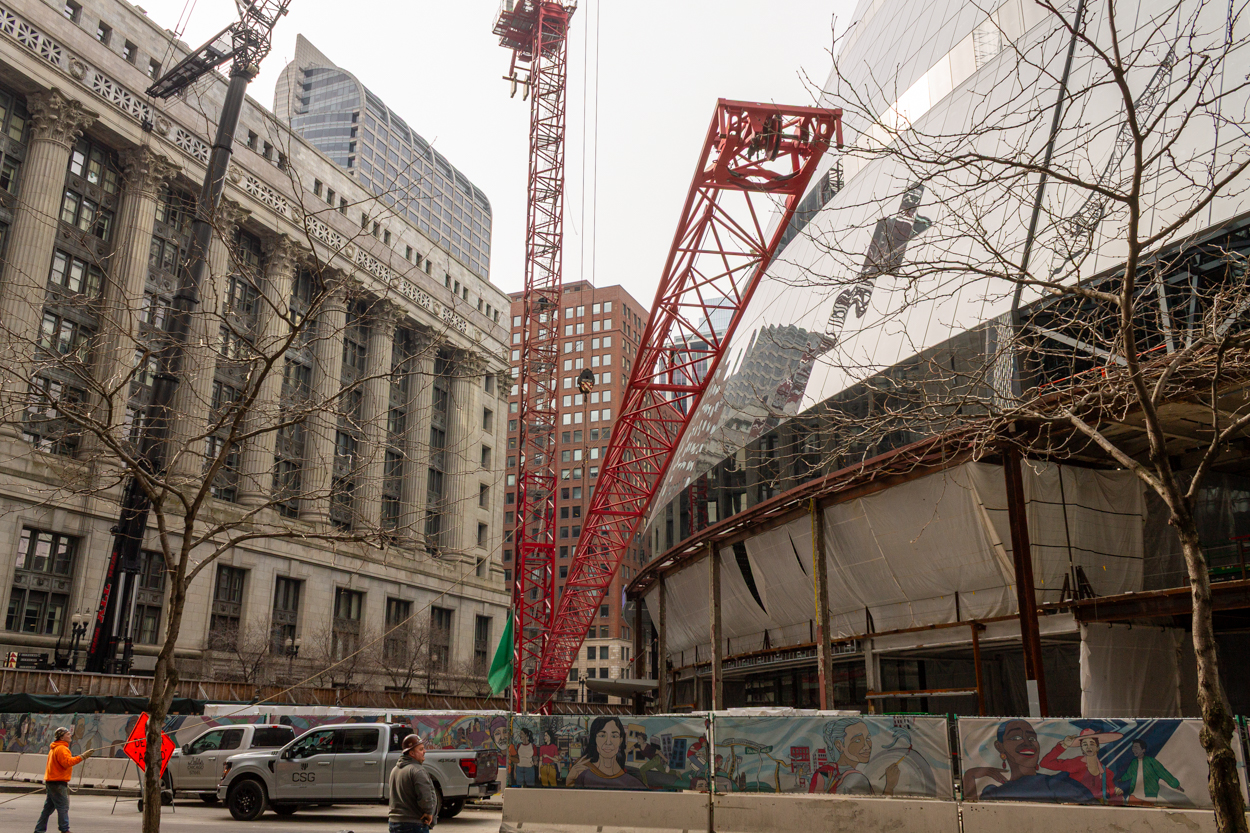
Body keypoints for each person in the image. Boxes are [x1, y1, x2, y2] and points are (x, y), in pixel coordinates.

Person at [962, 719, 1096, 804]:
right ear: (999, 746)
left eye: (1032, 738)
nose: (1027, 743)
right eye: (1015, 737)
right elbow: (974, 815)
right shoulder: (994, 793)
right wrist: (969, 776)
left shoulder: (1060, 784)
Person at [809, 718, 900, 795]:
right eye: (857, 740)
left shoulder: (824, 772)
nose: (867, 746)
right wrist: (889, 787)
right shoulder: (856, 778)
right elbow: (872, 809)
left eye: (868, 738)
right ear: (839, 745)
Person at [1040, 728, 1124, 804]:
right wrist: (1064, 746)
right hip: (1074, 805)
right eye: (1084, 744)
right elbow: (1045, 763)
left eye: (1092, 744)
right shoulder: (1075, 763)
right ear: (1082, 748)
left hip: (1094, 808)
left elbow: (1110, 791)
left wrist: (1116, 790)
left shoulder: (1106, 772)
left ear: (1097, 747)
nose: (1088, 747)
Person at [33, 726, 91, 833]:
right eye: (68, 734)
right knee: (63, 807)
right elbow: (67, 763)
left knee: (48, 809)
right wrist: (82, 757)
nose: (70, 735)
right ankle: (64, 829)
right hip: (58, 782)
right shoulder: (62, 748)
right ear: (62, 737)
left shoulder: (55, 748)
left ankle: (39, 830)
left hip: (52, 781)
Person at [565, 716, 646, 789]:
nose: (608, 742)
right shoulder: (583, 774)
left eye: (614, 736)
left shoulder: (633, 783)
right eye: (602, 735)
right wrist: (570, 781)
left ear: (620, 740)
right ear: (595, 739)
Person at [388, 734, 436, 833]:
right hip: (414, 824)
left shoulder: (395, 770)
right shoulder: (418, 770)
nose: (424, 751)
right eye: (421, 749)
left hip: (394, 823)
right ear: (412, 753)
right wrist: (428, 812)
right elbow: (425, 797)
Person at [1116, 739, 1182, 805]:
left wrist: (1175, 785)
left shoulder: (1151, 761)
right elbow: (1129, 774)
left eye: (1136, 747)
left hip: (1149, 796)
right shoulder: (1134, 762)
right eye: (1133, 747)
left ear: (1143, 750)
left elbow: (1163, 773)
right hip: (1134, 795)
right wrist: (1121, 779)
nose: (1134, 749)